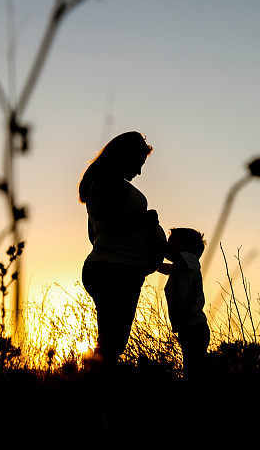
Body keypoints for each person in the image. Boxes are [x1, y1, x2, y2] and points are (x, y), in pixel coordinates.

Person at [79, 131, 167, 371]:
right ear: (125, 157)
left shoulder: (100, 185)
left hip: (112, 268)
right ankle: (95, 394)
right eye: (139, 163)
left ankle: (94, 387)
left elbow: (95, 234)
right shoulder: (108, 185)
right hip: (116, 272)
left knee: (110, 343)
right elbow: (114, 224)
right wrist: (146, 222)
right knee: (111, 345)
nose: (139, 172)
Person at [157, 227, 210, 380]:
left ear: (186, 246)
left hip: (195, 327)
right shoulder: (181, 266)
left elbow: (174, 257)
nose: (167, 245)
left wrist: (158, 248)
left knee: (193, 371)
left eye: (171, 242)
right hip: (189, 328)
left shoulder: (191, 259)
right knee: (191, 370)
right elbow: (168, 267)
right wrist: (152, 264)